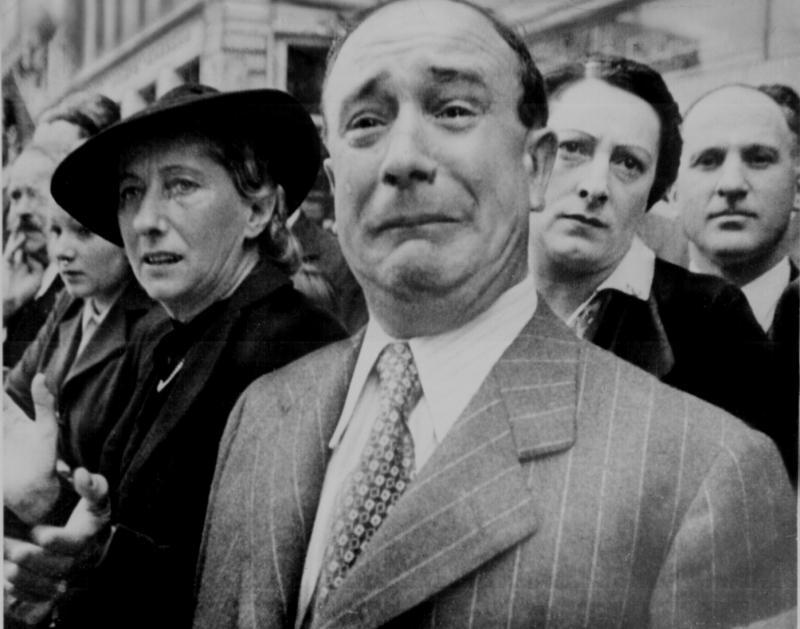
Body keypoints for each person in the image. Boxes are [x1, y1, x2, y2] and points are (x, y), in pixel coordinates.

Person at [192, 1, 796, 628]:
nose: (402, 158)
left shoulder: (705, 472)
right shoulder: (261, 414)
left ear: (534, 166)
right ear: (333, 179)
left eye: (454, 110)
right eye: (366, 122)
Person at [3, 84, 346, 629]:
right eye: (130, 193)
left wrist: (97, 562)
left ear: (257, 209)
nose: (144, 221)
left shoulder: (296, 347)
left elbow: (264, 590)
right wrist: (49, 503)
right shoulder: (165, 336)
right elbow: (120, 518)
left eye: (180, 186)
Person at [528, 55, 790, 477]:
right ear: (528, 157)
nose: (595, 186)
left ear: (656, 191)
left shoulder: (711, 322)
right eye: (573, 149)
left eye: (628, 163)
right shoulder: (458, 295)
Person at [676, 82, 799, 480]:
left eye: (759, 159)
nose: (731, 184)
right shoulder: (621, 332)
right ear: (673, 188)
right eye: (708, 160)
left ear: (798, 184)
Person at [3, 144, 64, 368]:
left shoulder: (76, 284)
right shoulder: (18, 283)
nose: (22, 210)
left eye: (34, 194)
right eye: (16, 197)